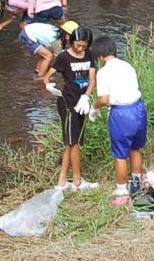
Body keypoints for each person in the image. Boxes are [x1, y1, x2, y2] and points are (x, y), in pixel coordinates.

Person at [43, 23, 97, 191]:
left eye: (84, 45)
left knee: (73, 142)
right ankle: (77, 181)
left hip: (81, 103)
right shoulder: (64, 57)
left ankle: (61, 181)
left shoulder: (89, 54)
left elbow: (92, 79)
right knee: (73, 143)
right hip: (67, 103)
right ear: (72, 40)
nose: (80, 48)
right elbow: (47, 75)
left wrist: (86, 96)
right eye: (78, 44)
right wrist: (48, 86)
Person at [92, 35, 148, 196]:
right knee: (135, 147)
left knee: (120, 153)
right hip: (138, 108)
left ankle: (122, 188)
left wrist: (94, 108)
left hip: (121, 113)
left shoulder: (103, 72)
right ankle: (136, 180)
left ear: (100, 56)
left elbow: (104, 99)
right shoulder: (127, 66)